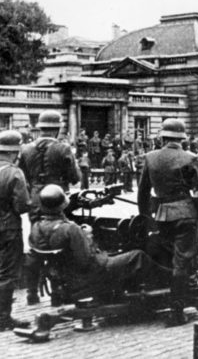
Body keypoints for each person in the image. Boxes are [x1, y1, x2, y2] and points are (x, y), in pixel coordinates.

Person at [30, 185, 168, 301]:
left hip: (67, 277)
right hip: (87, 277)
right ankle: (172, 281)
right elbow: (85, 261)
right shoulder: (70, 229)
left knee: (120, 254)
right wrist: (87, 236)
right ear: (62, 205)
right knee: (137, 256)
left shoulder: (36, 227)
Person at [137, 118, 198, 325]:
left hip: (161, 216)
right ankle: (177, 313)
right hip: (185, 215)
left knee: (167, 259)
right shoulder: (190, 158)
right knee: (182, 263)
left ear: (163, 137)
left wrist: (146, 219)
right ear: (182, 139)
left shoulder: (150, 158)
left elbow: (142, 193)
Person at [18, 110, 81, 304]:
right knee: (59, 242)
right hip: (57, 197)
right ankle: (57, 293)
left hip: (36, 198)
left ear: (41, 128)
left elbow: (23, 175)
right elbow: (75, 177)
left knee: (36, 242)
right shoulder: (63, 149)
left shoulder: (26, 149)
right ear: (57, 129)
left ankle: (31, 293)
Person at [0, 130, 32, 331]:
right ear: (15, 151)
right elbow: (22, 206)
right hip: (8, 228)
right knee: (7, 273)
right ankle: (3, 317)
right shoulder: (14, 172)